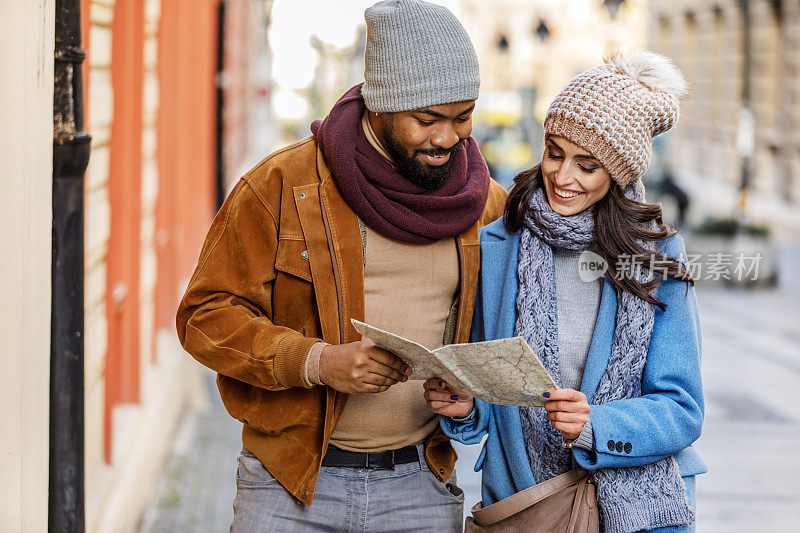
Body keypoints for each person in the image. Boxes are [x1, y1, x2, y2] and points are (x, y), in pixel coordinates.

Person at [176, 0, 507, 530]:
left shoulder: (485, 205)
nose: (447, 138)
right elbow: (203, 316)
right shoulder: (282, 185)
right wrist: (317, 361)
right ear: (380, 103)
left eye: (462, 118)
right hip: (288, 486)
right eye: (427, 119)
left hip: (420, 486)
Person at [424, 50, 707, 532]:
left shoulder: (658, 257)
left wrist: (597, 424)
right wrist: (467, 408)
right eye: (555, 153)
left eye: (587, 165)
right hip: (525, 502)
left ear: (616, 173)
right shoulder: (498, 248)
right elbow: (492, 392)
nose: (563, 176)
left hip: (639, 512)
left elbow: (682, 410)